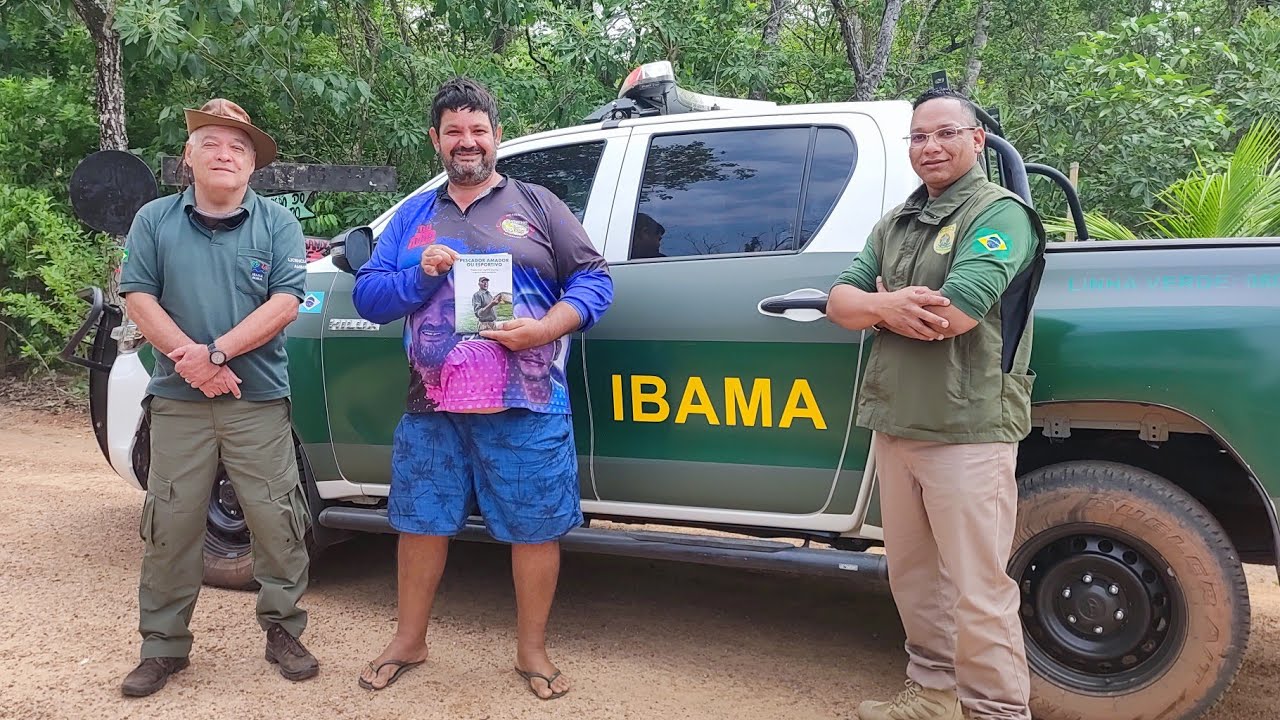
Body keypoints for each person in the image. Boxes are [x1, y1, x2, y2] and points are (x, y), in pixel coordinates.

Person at [352, 77, 613, 700]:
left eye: (477, 130)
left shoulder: (539, 204)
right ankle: (408, 640)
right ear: (436, 140)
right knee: (420, 522)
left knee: (534, 527)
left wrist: (546, 327)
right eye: (453, 131)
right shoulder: (414, 216)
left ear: (497, 136)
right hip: (431, 405)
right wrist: (420, 270)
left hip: (528, 400)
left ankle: (533, 651)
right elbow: (368, 298)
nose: (465, 142)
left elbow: (595, 281)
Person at [826, 87, 1047, 720]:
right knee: (915, 579)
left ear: (977, 141)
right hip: (898, 422)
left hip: (967, 428)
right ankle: (932, 695)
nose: (931, 147)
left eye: (946, 133)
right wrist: (889, 304)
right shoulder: (896, 221)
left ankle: (997, 711)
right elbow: (839, 301)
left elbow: (953, 315)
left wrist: (881, 305)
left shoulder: (1000, 215)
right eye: (920, 137)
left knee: (978, 589)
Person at [116, 99, 318, 697]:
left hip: (256, 400)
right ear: (189, 155)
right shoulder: (153, 219)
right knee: (171, 524)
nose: (224, 154)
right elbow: (138, 296)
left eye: (237, 147)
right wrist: (194, 363)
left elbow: (284, 303)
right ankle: (163, 647)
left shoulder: (278, 224)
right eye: (211, 143)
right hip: (179, 403)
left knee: (277, 519)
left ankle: (283, 629)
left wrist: (218, 355)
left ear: (252, 163)